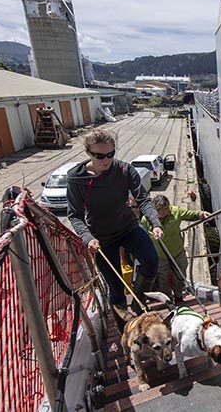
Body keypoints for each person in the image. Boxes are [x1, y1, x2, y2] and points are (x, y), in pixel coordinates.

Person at [67, 128, 164, 322]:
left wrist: (155, 223)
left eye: (110, 154)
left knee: (151, 261)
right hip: (101, 238)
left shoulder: (125, 170)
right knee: (116, 287)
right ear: (88, 152)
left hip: (128, 227)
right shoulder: (76, 179)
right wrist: (88, 238)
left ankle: (139, 302)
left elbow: (143, 199)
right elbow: (75, 215)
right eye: (99, 156)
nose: (106, 160)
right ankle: (123, 328)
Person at [142, 195, 210, 304]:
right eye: (159, 209)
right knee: (163, 280)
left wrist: (201, 214)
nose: (163, 212)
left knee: (180, 275)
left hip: (177, 252)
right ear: (154, 209)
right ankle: (168, 301)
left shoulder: (176, 212)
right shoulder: (147, 220)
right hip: (160, 256)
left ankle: (178, 296)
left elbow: (190, 215)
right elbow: (143, 236)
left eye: (165, 208)